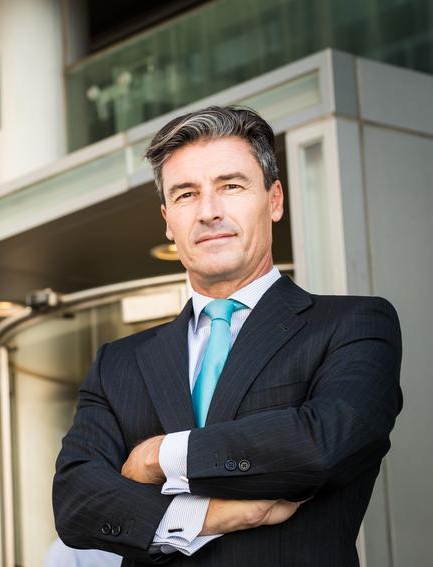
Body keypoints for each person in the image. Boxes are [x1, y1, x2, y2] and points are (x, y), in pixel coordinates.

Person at [52, 106, 402, 566]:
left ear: (274, 200)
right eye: (186, 194)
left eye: (231, 186)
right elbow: (76, 500)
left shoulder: (353, 325)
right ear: (167, 221)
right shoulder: (117, 363)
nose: (208, 212)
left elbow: (322, 443)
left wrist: (160, 456)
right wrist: (206, 516)